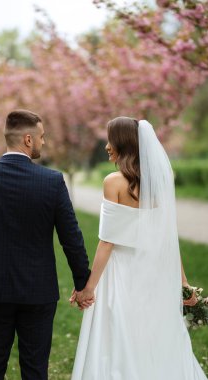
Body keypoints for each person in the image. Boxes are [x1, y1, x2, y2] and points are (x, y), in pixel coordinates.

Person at [0, 109, 92, 380]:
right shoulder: (52, 182)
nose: (44, 142)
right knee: (34, 370)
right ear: (28, 140)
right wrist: (82, 284)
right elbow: (71, 239)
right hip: (38, 293)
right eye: (42, 137)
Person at [71, 117, 207, 380]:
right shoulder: (159, 183)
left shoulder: (113, 182)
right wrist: (183, 285)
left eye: (110, 140)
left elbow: (108, 241)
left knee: (119, 337)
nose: (107, 146)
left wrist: (89, 288)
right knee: (154, 335)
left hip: (121, 274)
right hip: (155, 274)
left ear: (122, 142)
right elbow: (168, 239)